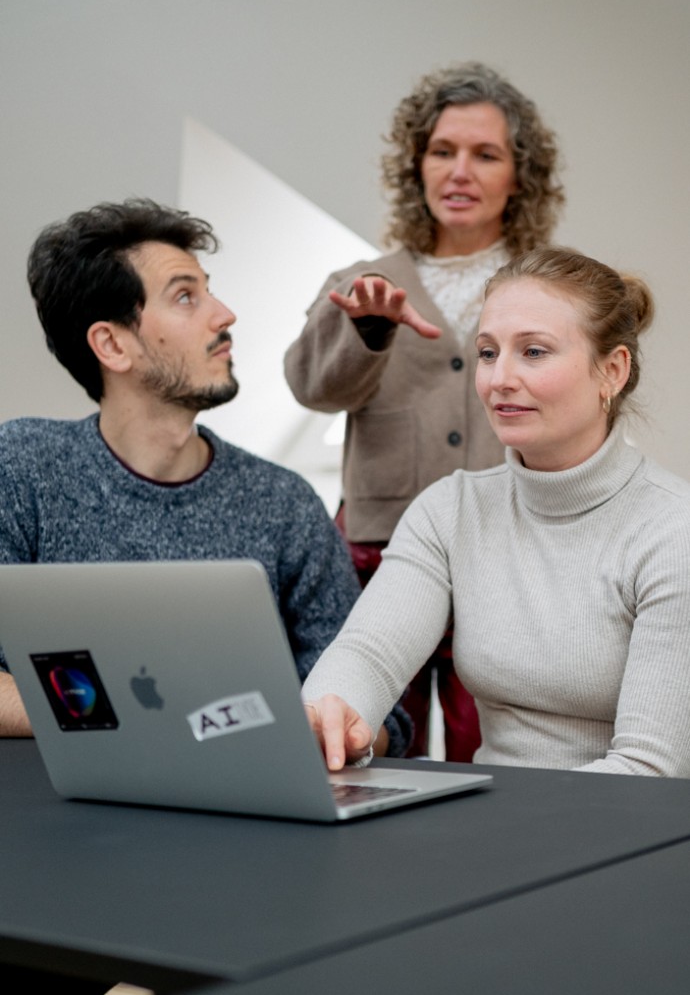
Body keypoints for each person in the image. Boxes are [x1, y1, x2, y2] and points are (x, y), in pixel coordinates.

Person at [0, 198, 411, 762]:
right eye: (185, 297)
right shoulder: (21, 468)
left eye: (208, 291)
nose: (224, 315)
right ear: (112, 345)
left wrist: (341, 726)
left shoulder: (283, 503)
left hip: (242, 801)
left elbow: (378, 715)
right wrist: (156, 716)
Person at [302, 245, 690, 779]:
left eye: (533, 351)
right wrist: (329, 714)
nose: (499, 378)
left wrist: (507, 821)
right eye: (488, 353)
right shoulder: (450, 509)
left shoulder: (672, 530)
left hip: (622, 816)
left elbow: (649, 768)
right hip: (495, 812)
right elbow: (369, 653)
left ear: (612, 371)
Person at [284, 62, 565, 762]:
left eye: (485, 154)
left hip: (508, 555)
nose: (459, 171)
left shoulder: (553, 288)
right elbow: (312, 386)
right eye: (442, 151)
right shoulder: (359, 283)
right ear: (416, 166)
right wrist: (368, 332)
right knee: (370, 745)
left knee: (496, 754)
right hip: (378, 557)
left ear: (520, 176)